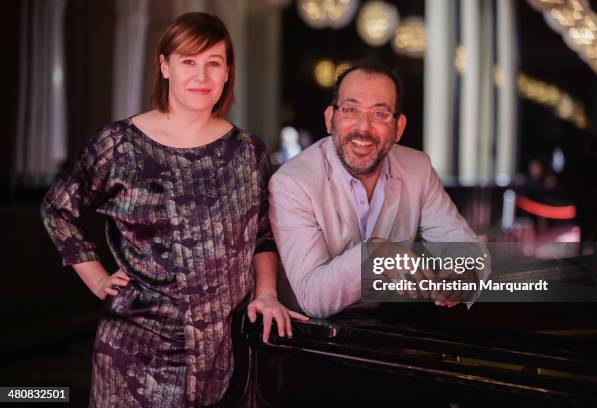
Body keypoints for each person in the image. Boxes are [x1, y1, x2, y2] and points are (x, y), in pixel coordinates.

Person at [41, 12, 306, 407]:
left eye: (213, 63)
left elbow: (261, 236)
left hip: (224, 350)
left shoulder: (247, 151)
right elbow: (56, 209)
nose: (201, 75)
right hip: (134, 352)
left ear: (227, 71)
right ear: (164, 66)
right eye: (188, 61)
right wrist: (96, 278)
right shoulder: (119, 143)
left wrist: (266, 293)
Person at [269, 60, 487, 319]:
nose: (363, 127)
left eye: (380, 114)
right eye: (350, 110)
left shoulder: (417, 167)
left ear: (399, 127)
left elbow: (460, 242)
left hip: (390, 330)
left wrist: (462, 273)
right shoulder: (292, 182)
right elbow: (313, 298)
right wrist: (373, 252)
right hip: (313, 340)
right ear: (330, 119)